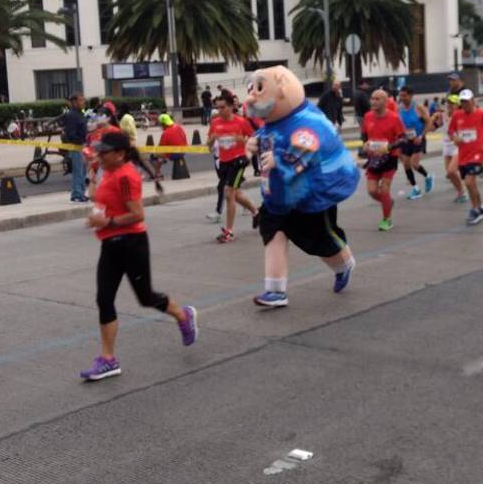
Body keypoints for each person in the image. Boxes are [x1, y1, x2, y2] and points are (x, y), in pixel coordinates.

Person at [80, 131, 197, 381]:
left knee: (146, 297)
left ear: (120, 154)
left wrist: (107, 221)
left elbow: (137, 214)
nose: (100, 155)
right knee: (104, 299)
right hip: (110, 245)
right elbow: (96, 197)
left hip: (131, 244)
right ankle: (108, 360)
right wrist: (92, 174)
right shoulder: (108, 171)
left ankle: (183, 315)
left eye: (104, 152)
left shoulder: (126, 175)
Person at [244, 66, 360, 308]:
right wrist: (254, 142)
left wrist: (280, 159)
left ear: (283, 89)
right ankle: (275, 291)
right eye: (251, 89)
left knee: (319, 241)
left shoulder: (309, 121)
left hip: (311, 196)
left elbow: (307, 146)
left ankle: (344, 265)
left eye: (260, 88)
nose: (252, 96)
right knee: (272, 232)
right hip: (279, 195)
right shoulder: (275, 121)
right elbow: (269, 133)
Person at [207, 91, 258, 243]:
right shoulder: (215, 123)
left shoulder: (241, 122)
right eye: (217, 108)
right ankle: (256, 212)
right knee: (236, 194)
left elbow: (255, 140)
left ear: (230, 107)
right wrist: (212, 140)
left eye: (222, 107)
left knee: (229, 193)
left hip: (239, 160)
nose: (219, 111)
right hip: (224, 162)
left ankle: (229, 231)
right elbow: (209, 146)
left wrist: (242, 140)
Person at [448, 89, 483, 225]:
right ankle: (481, 208)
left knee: (469, 182)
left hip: (477, 154)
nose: (465, 104)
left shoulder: (482, 114)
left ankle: (474, 210)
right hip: (463, 155)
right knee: (471, 185)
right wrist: (454, 138)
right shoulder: (457, 115)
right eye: (462, 102)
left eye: (467, 101)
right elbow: (450, 131)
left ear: (473, 100)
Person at [361, 89, 407, 231]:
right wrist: (365, 144)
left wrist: (388, 147)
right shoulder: (367, 116)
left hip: (389, 157)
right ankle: (388, 202)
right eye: (372, 98)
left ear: (385, 102)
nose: (373, 101)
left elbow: (403, 138)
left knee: (384, 189)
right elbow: (364, 135)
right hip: (374, 158)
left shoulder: (394, 118)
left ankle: (387, 219)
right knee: (372, 191)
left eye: (377, 99)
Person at [397, 86, 434, 200]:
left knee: (414, 163)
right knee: (406, 164)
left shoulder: (418, 108)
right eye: (401, 95)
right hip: (406, 139)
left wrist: (421, 136)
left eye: (404, 96)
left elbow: (429, 123)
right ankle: (416, 188)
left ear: (411, 96)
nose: (402, 98)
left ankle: (428, 176)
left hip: (418, 139)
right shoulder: (399, 109)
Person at [436, 94, 466, 201]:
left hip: (457, 146)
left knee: (451, 171)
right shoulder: (443, 114)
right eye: (448, 102)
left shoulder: (461, 115)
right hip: (446, 146)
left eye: (452, 103)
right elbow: (437, 125)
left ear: (458, 105)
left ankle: (463, 191)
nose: (449, 105)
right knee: (450, 174)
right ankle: (461, 191)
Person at [63, 93, 89, 202]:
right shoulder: (72, 115)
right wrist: (81, 141)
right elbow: (70, 134)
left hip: (82, 146)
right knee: (78, 171)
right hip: (76, 146)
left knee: (82, 171)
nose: (83, 102)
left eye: (83, 100)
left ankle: (80, 192)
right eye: (81, 100)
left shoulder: (80, 114)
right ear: (74, 102)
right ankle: (77, 194)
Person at [150, 113, 188, 180]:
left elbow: (161, 149)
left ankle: (158, 174)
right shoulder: (179, 127)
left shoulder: (165, 133)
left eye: (160, 124)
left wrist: (155, 153)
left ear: (163, 124)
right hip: (184, 150)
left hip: (174, 153)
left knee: (153, 157)